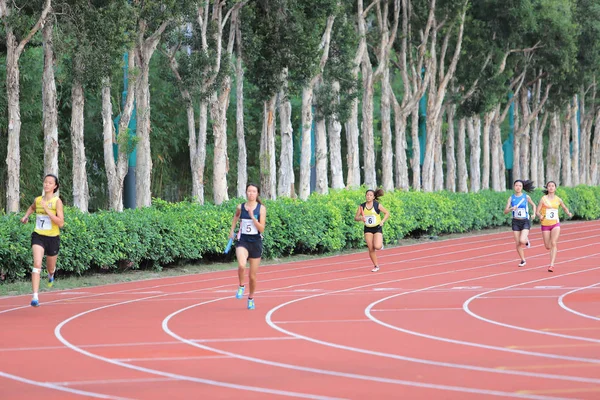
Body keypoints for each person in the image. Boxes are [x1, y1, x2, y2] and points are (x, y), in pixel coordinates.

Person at [20, 174, 64, 307]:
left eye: (50, 183)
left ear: (55, 186)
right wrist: (26, 216)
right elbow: (32, 207)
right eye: (45, 182)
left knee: (50, 268)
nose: (47, 185)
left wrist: (47, 210)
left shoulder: (57, 202)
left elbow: (61, 223)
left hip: (52, 238)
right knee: (37, 263)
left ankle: (51, 275)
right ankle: (35, 297)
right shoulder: (38, 200)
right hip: (38, 235)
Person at [229, 184, 266, 310]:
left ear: (257, 194)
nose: (251, 193)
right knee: (241, 265)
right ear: (246, 192)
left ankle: (250, 298)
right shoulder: (240, 207)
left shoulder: (261, 209)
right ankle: (241, 285)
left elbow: (261, 229)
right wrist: (232, 230)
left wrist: (252, 217)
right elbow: (236, 217)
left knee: (252, 276)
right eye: (249, 191)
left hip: (255, 243)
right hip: (243, 241)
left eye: (253, 191)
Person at [536, 181, 573, 272]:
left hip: (555, 224)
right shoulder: (543, 199)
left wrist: (568, 213)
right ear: (547, 188)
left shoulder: (558, 199)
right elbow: (537, 211)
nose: (551, 187)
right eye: (549, 186)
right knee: (548, 246)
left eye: (553, 186)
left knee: (553, 243)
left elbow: (564, 207)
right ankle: (551, 259)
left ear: (555, 188)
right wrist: (540, 216)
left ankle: (551, 265)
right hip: (545, 224)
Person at [354, 188, 390, 272]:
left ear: (373, 197)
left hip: (377, 227)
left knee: (377, 246)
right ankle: (376, 265)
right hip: (368, 228)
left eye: (370, 195)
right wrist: (361, 218)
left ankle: (381, 245)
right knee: (371, 248)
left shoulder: (377, 205)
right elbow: (355, 218)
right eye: (367, 195)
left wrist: (382, 221)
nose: (368, 197)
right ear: (365, 196)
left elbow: (387, 213)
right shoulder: (362, 207)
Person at [503, 179, 537, 267]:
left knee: (522, 240)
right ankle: (523, 260)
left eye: (520, 186)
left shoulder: (526, 197)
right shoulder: (511, 198)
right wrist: (511, 208)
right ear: (514, 187)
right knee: (518, 243)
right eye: (516, 185)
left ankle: (525, 240)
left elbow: (533, 205)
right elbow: (505, 211)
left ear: (522, 187)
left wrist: (533, 214)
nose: (518, 187)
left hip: (525, 221)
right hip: (515, 221)